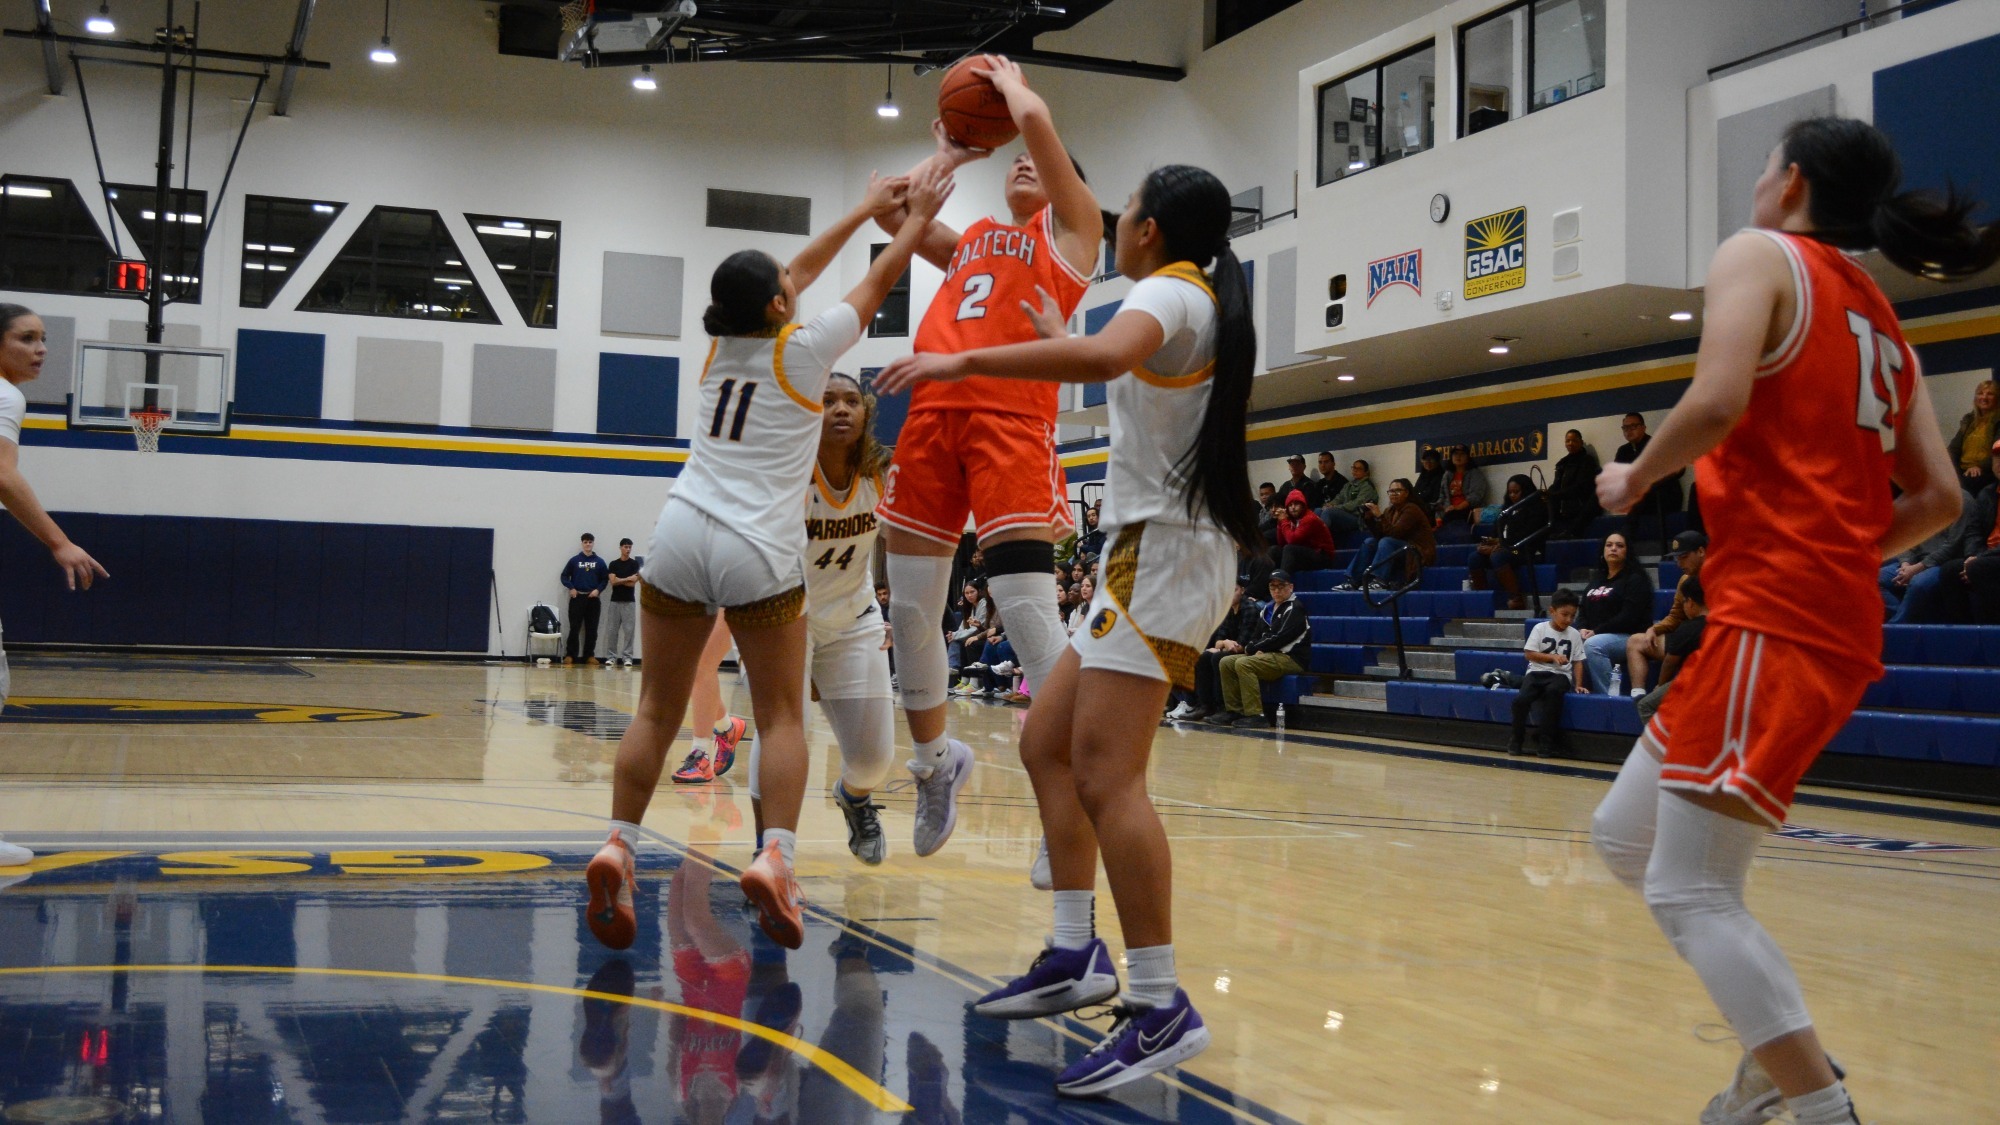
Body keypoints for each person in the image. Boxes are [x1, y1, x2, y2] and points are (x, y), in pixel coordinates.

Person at [1590, 115, 1983, 1125]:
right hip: (1806, 613)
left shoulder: (1756, 254)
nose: (1756, 184)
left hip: (1777, 615)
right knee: (1625, 838)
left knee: (1687, 890)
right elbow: (1938, 502)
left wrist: (1635, 473)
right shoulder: (1881, 321)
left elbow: (1716, 399)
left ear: (1789, 181)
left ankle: (1814, 1108)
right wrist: (1836, 553)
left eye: (1762, 167)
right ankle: (1776, 1060)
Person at [877, 163, 1257, 1095]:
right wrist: (1053, 332)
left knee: (1106, 773)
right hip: (1142, 554)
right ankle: (1075, 951)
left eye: (1125, 212)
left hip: (1167, 559)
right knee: (1048, 737)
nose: (1116, 223)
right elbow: (1111, 372)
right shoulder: (1173, 297)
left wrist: (963, 359)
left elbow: (1097, 362)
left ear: (1149, 230)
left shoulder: (1173, 292)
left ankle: (1163, 1000)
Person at [584, 162, 949, 953]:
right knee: (785, 715)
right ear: (781, 308)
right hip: (758, 545)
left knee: (654, 707)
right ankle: (776, 857)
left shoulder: (718, 350)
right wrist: (910, 217)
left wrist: (857, 211)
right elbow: (882, 279)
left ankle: (617, 840)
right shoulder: (810, 350)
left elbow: (794, 275)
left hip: (679, 530)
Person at [871, 56, 1104, 864]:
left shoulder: (1074, 238)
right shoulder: (974, 237)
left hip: (1010, 418)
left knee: (1030, 614)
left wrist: (1012, 96)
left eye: (1035, 161)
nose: (1020, 163)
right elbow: (891, 211)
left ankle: (1062, 802)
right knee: (909, 613)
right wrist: (952, 155)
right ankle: (938, 764)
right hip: (932, 412)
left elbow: (1039, 131)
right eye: (1010, 159)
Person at [743, 373, 897, 867]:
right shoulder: (786, 472)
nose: (841, 409)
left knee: (874, 761)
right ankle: (768, 854)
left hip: (854, 617)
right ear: (809, 411)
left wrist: (904, 613)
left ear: (866, 414)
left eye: (852, 400)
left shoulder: (881, 474)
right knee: (782, 736)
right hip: (784, 617)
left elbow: (904, 543)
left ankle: (854, 798)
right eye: (827, 400)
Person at [0, 303, 109, 871]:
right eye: (26, 338)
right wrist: (58, 541)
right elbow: (1, 473)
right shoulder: (4, 395)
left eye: (44, 338)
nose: (41, 349)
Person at [1212, 569, 1309, 729]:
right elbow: (1256, 636)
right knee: (1226, 662)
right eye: (1273, 587)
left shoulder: (1295, 608)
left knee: (1244, 663)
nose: (1276, 590)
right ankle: (1234, 710)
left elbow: (1280, 638)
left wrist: (1252, 648)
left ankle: (1256, 715)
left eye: (1281, 586)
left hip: (1291, 658)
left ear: (1290, 587)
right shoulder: (1267, 609)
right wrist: (1253, 647)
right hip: (1270, 655)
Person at [1625, 530, 1707, 689]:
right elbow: (1676, 616)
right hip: (1687, 639)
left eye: (1684, 557)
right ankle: (1638, 695)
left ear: (1701, 551)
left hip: (1710, 639)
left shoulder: (1723, 578)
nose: (1679, 564)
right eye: (1677, 558)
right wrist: (1655, 629)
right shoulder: (1684, 580)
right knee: (1636, 641)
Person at [1509, 589, 1586, 757]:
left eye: (1572, 616)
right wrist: (1552, 657)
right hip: (1537, 672)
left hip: (1561, 676)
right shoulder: (1540, 628)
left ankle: (1546, 742)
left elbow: (1578, 661)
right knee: (1520, 701)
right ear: (1552, 611)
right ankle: (1517, 739)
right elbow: (1529, 654)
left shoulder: (1574, 634)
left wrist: (1579, 684)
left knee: (1553, 693)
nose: (1568, 620)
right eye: (1564, 614)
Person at [1877, 488, 1973, 624]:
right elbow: (1905, 537)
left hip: (1943, 563)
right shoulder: (1916, 498)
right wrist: (1906, 564)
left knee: (1918, 583)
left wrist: (1918, 567)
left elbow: (1953, 545)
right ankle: (1898, 620)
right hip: (1912, 562)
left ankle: (1897, 627)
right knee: (1872, 578)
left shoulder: (1962, 500)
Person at [1167, 579, 1257, 722]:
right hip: (1229, 649)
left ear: (1242, 590)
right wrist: (1225, 643)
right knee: (1202, 657)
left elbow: (1241, 644)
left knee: (1217, 658)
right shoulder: (1228, 609)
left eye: (1234, 590)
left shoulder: (1250, 608)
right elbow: (1218, 641)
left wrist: (1225, 644)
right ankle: (1204, 706)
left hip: (1248, 651)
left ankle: (1223, 707)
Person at [1575, 532, 1654, 694]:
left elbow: (1629, 617)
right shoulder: (1597, 579)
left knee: (1593, 645)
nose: (1613, 549)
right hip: (1598, 634)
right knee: (1567, 639)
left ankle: (1608, 696)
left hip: (1629, 637)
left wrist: (1596, 631)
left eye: (1619, 545)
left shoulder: (1635, 579)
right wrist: (1582, 627)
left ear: (1627, 552)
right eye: (1609, 545)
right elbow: (1582, 608)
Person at [1935, 446, 2000, 624]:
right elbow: (1974, 531)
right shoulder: (1987, 494)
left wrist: (1979, 560)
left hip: (1993, 557)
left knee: (1979, 568)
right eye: (1996, 457)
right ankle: (1963, 633)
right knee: (1950, 570)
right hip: (1985, 555)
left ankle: (1991, 636)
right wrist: (1972, 556)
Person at [1339, 477, 1436, 590]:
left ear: (1407, 493)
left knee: (1387, 542)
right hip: (1401, 548)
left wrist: (1380, 516)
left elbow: (1395, 533)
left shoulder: (1412, 509)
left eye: (1398, 491)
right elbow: (1380, 536)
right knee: (1370, 542)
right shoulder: (1390, 511)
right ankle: (1354, 581)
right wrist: (1369, 519)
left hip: (1417, 552)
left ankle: (1380, 580)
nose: (1394, 494)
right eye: (1391, 491)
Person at [1635, 574, 1708, 723]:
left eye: (1684, 603)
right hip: (1722, 681)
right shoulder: (1722, 624)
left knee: (1645, 705)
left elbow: (1669, 662)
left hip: (1694, 682)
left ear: (1690, 603)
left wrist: (1660, 685)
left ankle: (1667, 744)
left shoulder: (1687, 629)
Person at [1467, 474, 1546, 610]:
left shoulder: (1536, 509)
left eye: (1516, 492)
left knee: (1498, 555)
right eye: (1510, 492)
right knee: (1475, 558)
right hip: (1506, 548)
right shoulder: (1506, 510)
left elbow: (1523, 536)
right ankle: (1483, 599)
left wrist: (1499, 545)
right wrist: (1489, 543)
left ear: (1526, 490)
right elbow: (1496, 533)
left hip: (1523, 550)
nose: (1512, 495)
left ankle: (1516, 598)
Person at [1614, 413, 1686, 538]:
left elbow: (1679, 468)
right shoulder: (1623, 451)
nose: (1628, 431)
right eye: (1625, 428)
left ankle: (1627, 532)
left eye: (1633, 426)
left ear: (1643, 428)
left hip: (1664, 495)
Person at [560, 533, 609, 665]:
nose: (588, 544)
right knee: (574, 628)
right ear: (582, 543)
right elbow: (564, 576)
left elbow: (605, 579)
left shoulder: (599, 562)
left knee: (592, 629)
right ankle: (570, 655)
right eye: (585, 542)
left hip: (593, 599)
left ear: (593, 543)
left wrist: (598, 590)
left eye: (590, 542)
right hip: (577, 598)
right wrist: (571, 588)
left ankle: (589, 655)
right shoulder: (574, 561)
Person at [1548, 428, 1603, 537]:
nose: (1570, 443)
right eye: (1568, 441)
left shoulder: (1587, 461)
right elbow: (1556, 485)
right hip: (1563, 509)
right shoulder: (1562, 463)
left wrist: (1556, 494)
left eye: (1574, 440)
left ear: (1581, 442)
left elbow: (1581, 487)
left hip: (1580, 507)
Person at [1947, 379, 1997, 495]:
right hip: (1964, 470)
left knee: (1965, 487)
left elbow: (1996, 453)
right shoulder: (1969, 420)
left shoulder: (1998, 421)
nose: (1984, 397)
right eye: (1980, 393)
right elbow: (1954, 448)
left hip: (1985, 471)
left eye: (1989, 394)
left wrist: (1979, 467)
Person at [1272, 489, 1338, 573]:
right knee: (1274, 550)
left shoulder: (1309, 518)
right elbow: (1282, 543)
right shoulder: (1292, 519)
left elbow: (1292, 540)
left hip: (1323, 557)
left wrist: (1284, 521)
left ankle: (1282, 582)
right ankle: (1270, 581)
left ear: (1303, 505)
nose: (1293, 508)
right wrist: (1280, 522)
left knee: (1289, 549)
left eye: (1296, 504)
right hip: (1307, 552)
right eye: (1290, 505)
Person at [603, 538, 642, 666]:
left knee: (629, 631)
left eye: (630, 547)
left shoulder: (634, 564)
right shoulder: (614, 564)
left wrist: (621, 580)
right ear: (620, 548)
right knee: (612, 630)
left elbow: (632, 584)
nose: (628, 549)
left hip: (629, 601)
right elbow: (613, 582)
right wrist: (627, 578)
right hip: (615, 601)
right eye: (626, 547)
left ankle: (627, 657)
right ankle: (611, 657)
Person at [1319, 459, 1378, 539]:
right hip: (1346, 515)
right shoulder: (1349, 485)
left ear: (1366, 472)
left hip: (1358, 519)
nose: (1355, 470)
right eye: (1353, 468)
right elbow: (1339, 498)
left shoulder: (1367, 486)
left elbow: (1356, 504)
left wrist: (1335, 507)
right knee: (1318, 511)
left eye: (1359, 469)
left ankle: (1321, 540)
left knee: (1329, 512)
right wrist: (1329, 504)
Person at [1436, 445, 1487, 533]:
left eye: (1462, 454)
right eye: (1455, 454)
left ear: (1467, 458)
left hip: (1467, 510)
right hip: (1449, 510)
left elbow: (1476, 496)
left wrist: (1458, 507)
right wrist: (1440, 508)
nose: (1458, 457)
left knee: (1452, 517)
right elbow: (1442, 495)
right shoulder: (1447, 474)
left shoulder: (1475, 473)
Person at [1412, 447, 1447, 515]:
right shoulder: (1422, 475)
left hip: (1433, 511)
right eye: (1425, 460)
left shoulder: (1442, 476)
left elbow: (1436, 499)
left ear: (1437, 462)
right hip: (1418, 509)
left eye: (1431, 460)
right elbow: (1415, 492)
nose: (1428, 462)